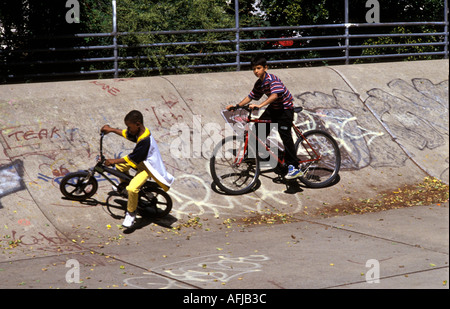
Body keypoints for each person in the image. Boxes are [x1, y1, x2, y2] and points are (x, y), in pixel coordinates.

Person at [226, 56, 302, 180]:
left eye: (259, 68)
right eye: (254, 69)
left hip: (285, 109)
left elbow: (274, 96)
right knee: (258, 130)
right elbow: (250, 97)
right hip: (274, 109)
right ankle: (254, 155)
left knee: (285, 136)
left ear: (265, 68)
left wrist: (260, 105)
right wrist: (236, 106)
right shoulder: (259, 83)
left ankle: (294, 168)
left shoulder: (272, 80)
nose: (256, 71)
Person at [101, 110, 174, 228]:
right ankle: (123, 186)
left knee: (132, 189)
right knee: (119, 167)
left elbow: (132, 158)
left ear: (138, 124)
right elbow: (126, 134)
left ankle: (131, 213)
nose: (128, 130)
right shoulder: (139, 131)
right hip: (141, 161)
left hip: (148, 168)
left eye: (129, 127)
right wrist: (112, 130)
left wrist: (113, 161)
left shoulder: (144, 140)